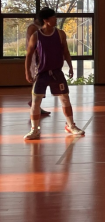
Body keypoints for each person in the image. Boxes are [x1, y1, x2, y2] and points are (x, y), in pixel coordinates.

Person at [24, 8, 86, 141]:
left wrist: (70, 66)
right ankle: (34, 130)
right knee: (36, 101)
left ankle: (70, 126)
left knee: (65, 98)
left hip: (57, 72)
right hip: (42, 73)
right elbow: (29, 55)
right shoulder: (36, 36)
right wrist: (28, 72)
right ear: (46, 20)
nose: (56, 19)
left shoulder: (60, 34)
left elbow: (66, 51)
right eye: (53, 17)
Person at [26, 14, 51, 116]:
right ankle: (34, 104)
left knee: (41, 82)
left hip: (39, 57)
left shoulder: (40, 28)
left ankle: (36, 104)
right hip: (36, 58)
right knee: (38, 81)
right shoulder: (33, 27)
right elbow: (35, 44)